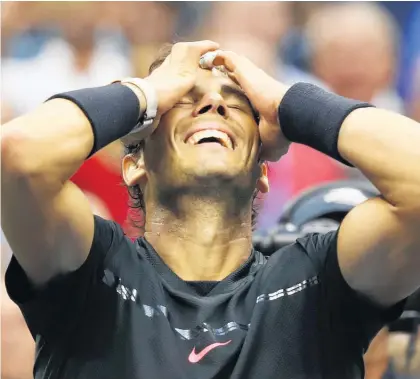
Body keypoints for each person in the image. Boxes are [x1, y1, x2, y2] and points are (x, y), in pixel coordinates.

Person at [2, 40, 420, 379]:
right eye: (185, 98)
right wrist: (145, 93)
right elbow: (17, 156)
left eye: (236, 103)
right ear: (135, 163)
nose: (214, 105)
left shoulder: (318, 284)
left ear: (263, 174)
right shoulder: (93, 271)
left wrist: (287, 104)